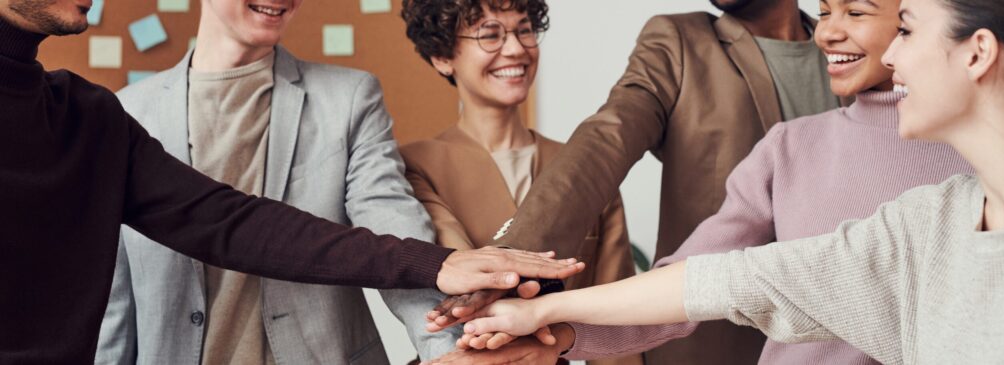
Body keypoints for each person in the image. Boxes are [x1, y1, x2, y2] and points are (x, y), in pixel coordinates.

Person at [0, 0, 585, 362]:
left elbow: (233, 222)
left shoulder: (87, 118)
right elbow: (117, 311)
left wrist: (434, 271)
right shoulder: (129, 108)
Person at [451, 0, 1004, 363]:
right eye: (826, 12)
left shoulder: (941, 188)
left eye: (896, 25)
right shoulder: (914, 220)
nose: (834, 32)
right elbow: (724, 274)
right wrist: (526, 292)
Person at [429, 0, 846, 362]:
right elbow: (607, 139)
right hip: (710, 342)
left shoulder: (853, 47)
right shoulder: (681, 42)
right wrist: (513, 256)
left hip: (842, 339)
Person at [93, 0, 461, 363]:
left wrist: (445, 349)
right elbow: (113, 299)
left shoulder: (350, 98)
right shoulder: (127, 113)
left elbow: (394, 226)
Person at [399, 1, 639, 364]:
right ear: (442, 57)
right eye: (490, 35)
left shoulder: (585, 164)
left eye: (524, 30)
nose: (515, 49)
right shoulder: (413, 166)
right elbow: (464, 288)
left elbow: (619, 315)